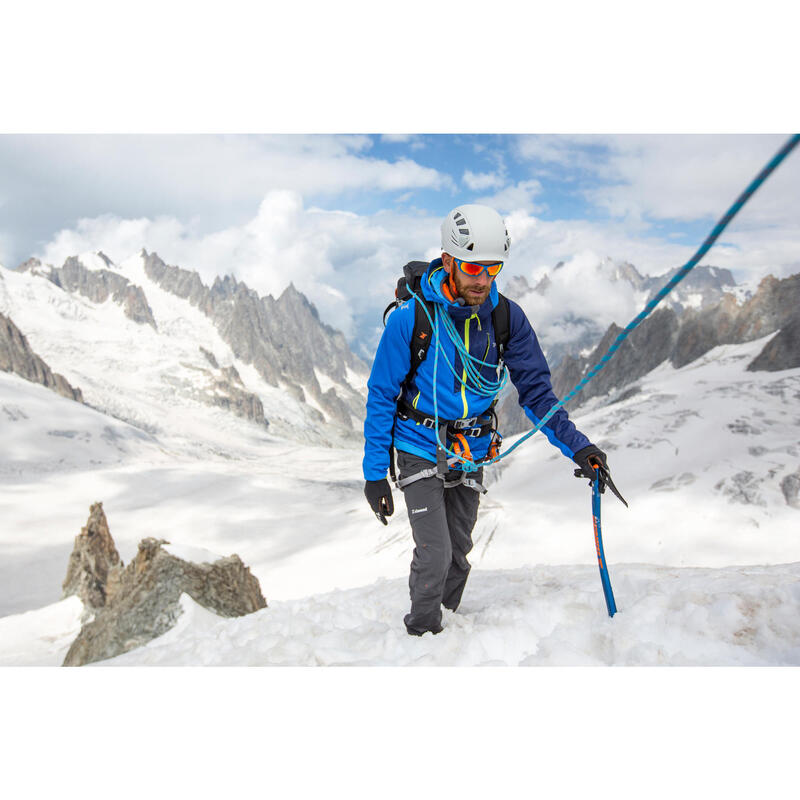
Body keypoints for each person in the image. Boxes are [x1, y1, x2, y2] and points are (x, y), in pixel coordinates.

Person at [362, 204, 608, 636]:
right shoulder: (411, 319)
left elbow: (537, 393)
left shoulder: (504, 318)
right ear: (449, 260)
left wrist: (580, 446)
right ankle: (422, 635)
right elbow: (382, 396)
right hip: (419, 446)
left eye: (492, 269)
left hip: (472, 450)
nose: (483, 279)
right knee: (435, 553)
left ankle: (449, 622)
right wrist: (375, 475)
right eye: (474, 268)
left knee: (458, 552)